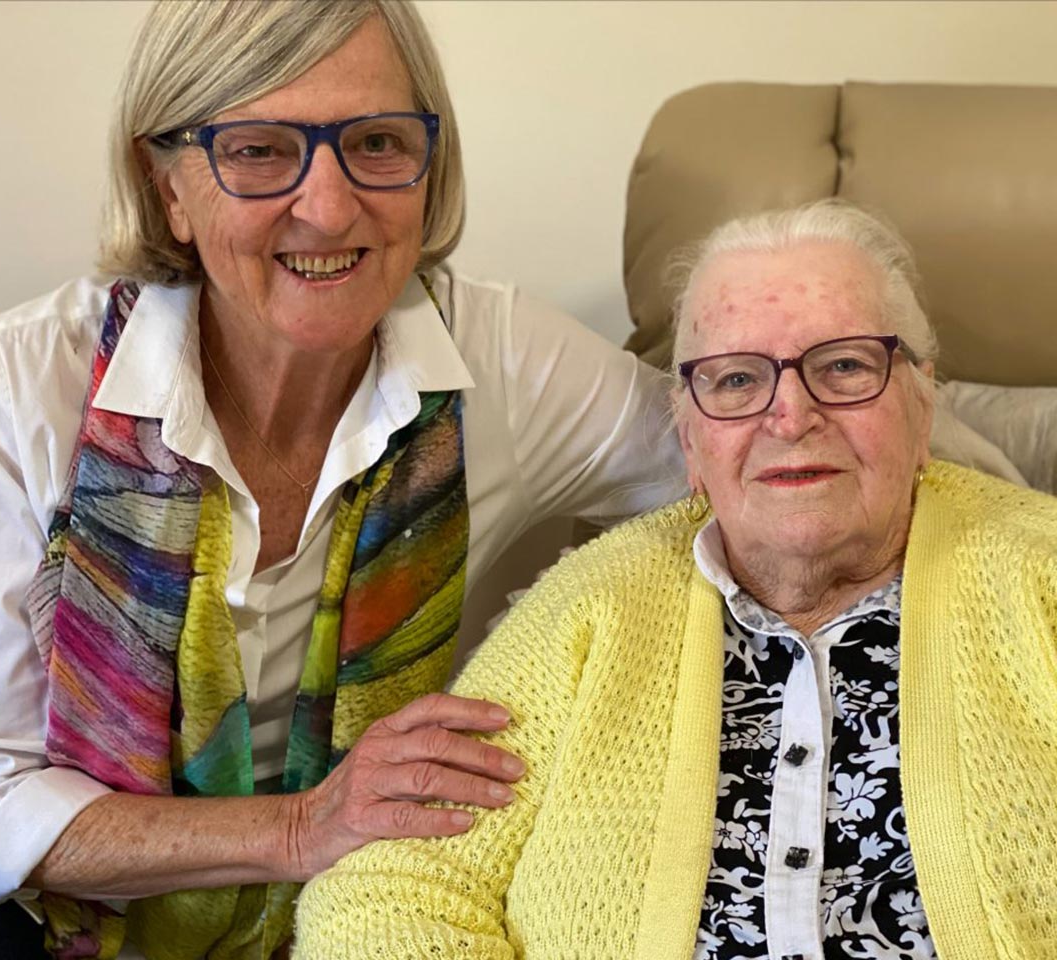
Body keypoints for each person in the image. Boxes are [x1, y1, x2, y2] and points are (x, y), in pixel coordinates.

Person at [0, 2, 687, 958]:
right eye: (258, 150)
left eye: (377, 142)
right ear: (169, 188)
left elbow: (737, 472)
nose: (327, 207)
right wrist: (301, 828)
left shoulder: (506, 365)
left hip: (252, 887)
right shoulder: (33, 374)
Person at [292, 202, 1057, 960]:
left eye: (846, 366)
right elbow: (385, 890)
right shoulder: (586, 614)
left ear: (922, 405)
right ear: (689, 439)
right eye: (734, 381)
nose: (790, 415)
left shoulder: (1039, 576)